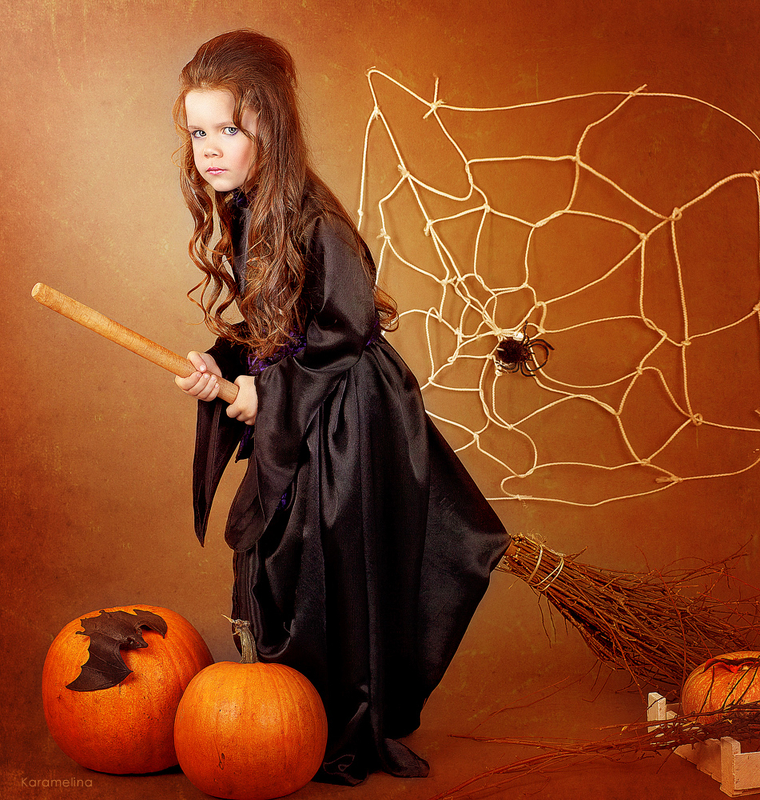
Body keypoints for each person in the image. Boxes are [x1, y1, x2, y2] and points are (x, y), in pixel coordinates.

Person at [173, 29, 509, 786]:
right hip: (310, 401)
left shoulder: (313, 220)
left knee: (330, 557)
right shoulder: (250, 208)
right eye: (198, 133)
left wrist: (270, 393)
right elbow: (279, 327)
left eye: (229, 130)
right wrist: (227, 365)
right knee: (288, 559)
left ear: (271, 128)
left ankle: (343, 722)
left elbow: (341, 332)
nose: (211, 150)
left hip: (350, 416)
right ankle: (300, 715)